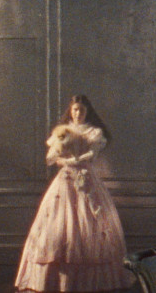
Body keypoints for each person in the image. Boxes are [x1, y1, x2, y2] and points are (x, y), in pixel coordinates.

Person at [14, 95, 134, 293]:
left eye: (82, 110)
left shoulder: (93, 132)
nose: (78, 113)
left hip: (87, 180)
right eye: (75, 109)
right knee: (59, 225)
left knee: (90, 225)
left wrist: (75, 160)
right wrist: (60, 156)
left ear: (87, 112)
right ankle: (55, 282)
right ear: (70, 111)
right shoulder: (62, 131)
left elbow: (92, 155)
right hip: (65, 181)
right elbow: (50, 158)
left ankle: (90, 283)